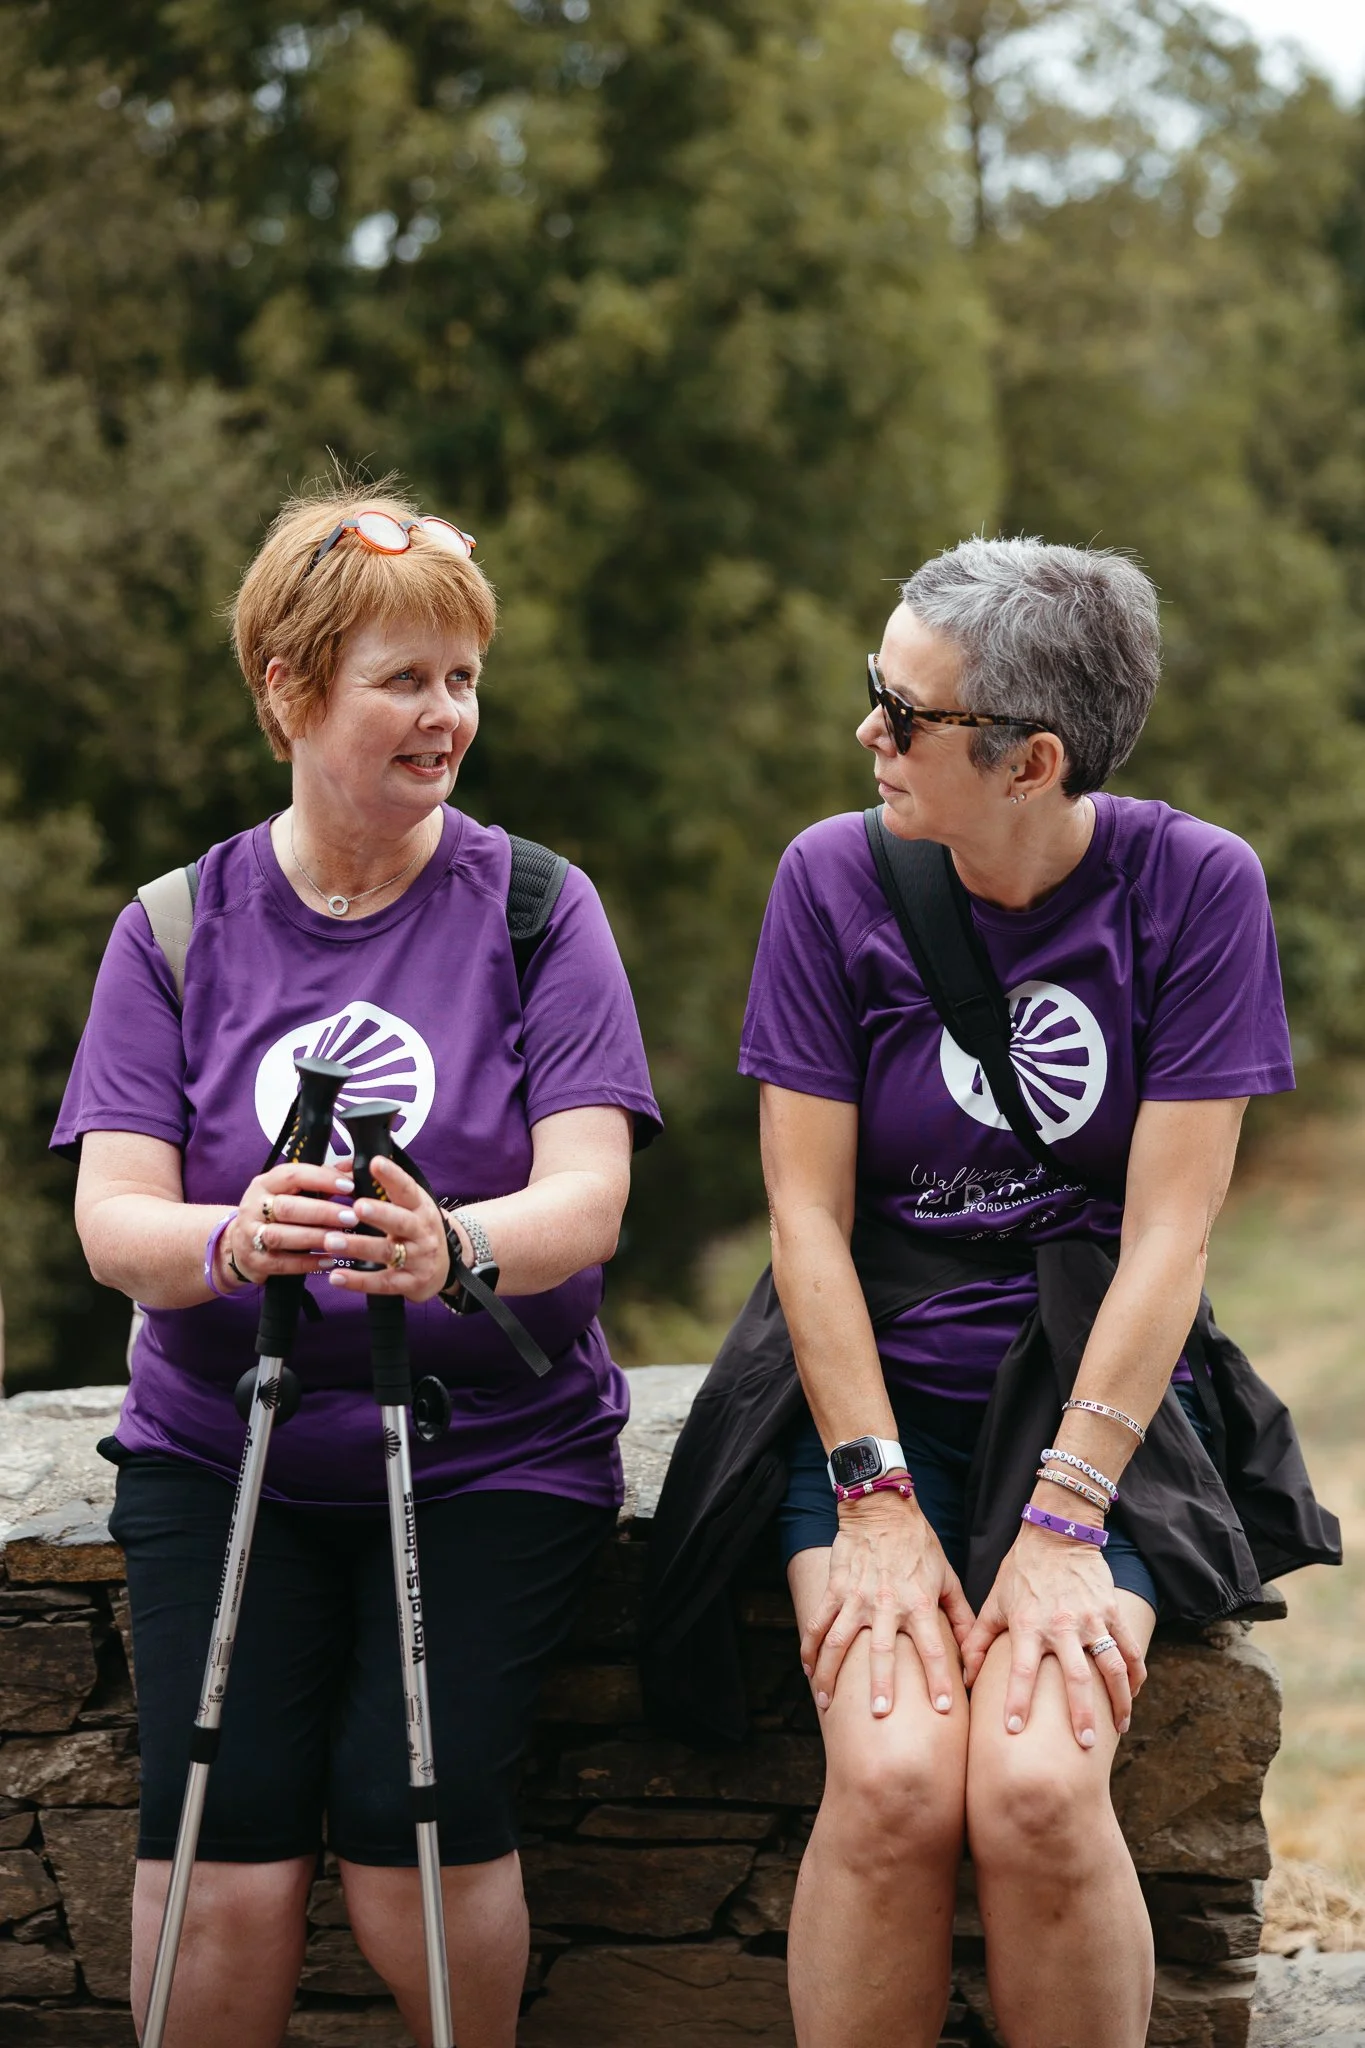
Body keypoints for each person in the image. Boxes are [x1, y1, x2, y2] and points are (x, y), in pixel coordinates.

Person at [52, 485, 660, 2048]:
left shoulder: (539, 909)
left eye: (462, 679)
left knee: (412, 1839)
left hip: (488, 1459)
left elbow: (586, 1199)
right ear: (289, 689)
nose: (446, 714)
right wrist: (229, 1239)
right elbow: (116, 1221)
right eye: (405, 679)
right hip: (221, 1444)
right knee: (225, 1864)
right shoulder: (176, 929)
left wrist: (452, 1246)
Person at [726, 538, 1318, 2045]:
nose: (866, 728)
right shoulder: (831, 877)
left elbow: (1171, 1241)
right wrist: (870, 1497)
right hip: (884, 1395)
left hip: (1092, 1399)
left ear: (1031, 759)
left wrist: (1065, 1518)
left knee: (1044, 1791)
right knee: (897, 1781)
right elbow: (803, 1213)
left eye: (899, 709)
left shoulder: (1195, 888)